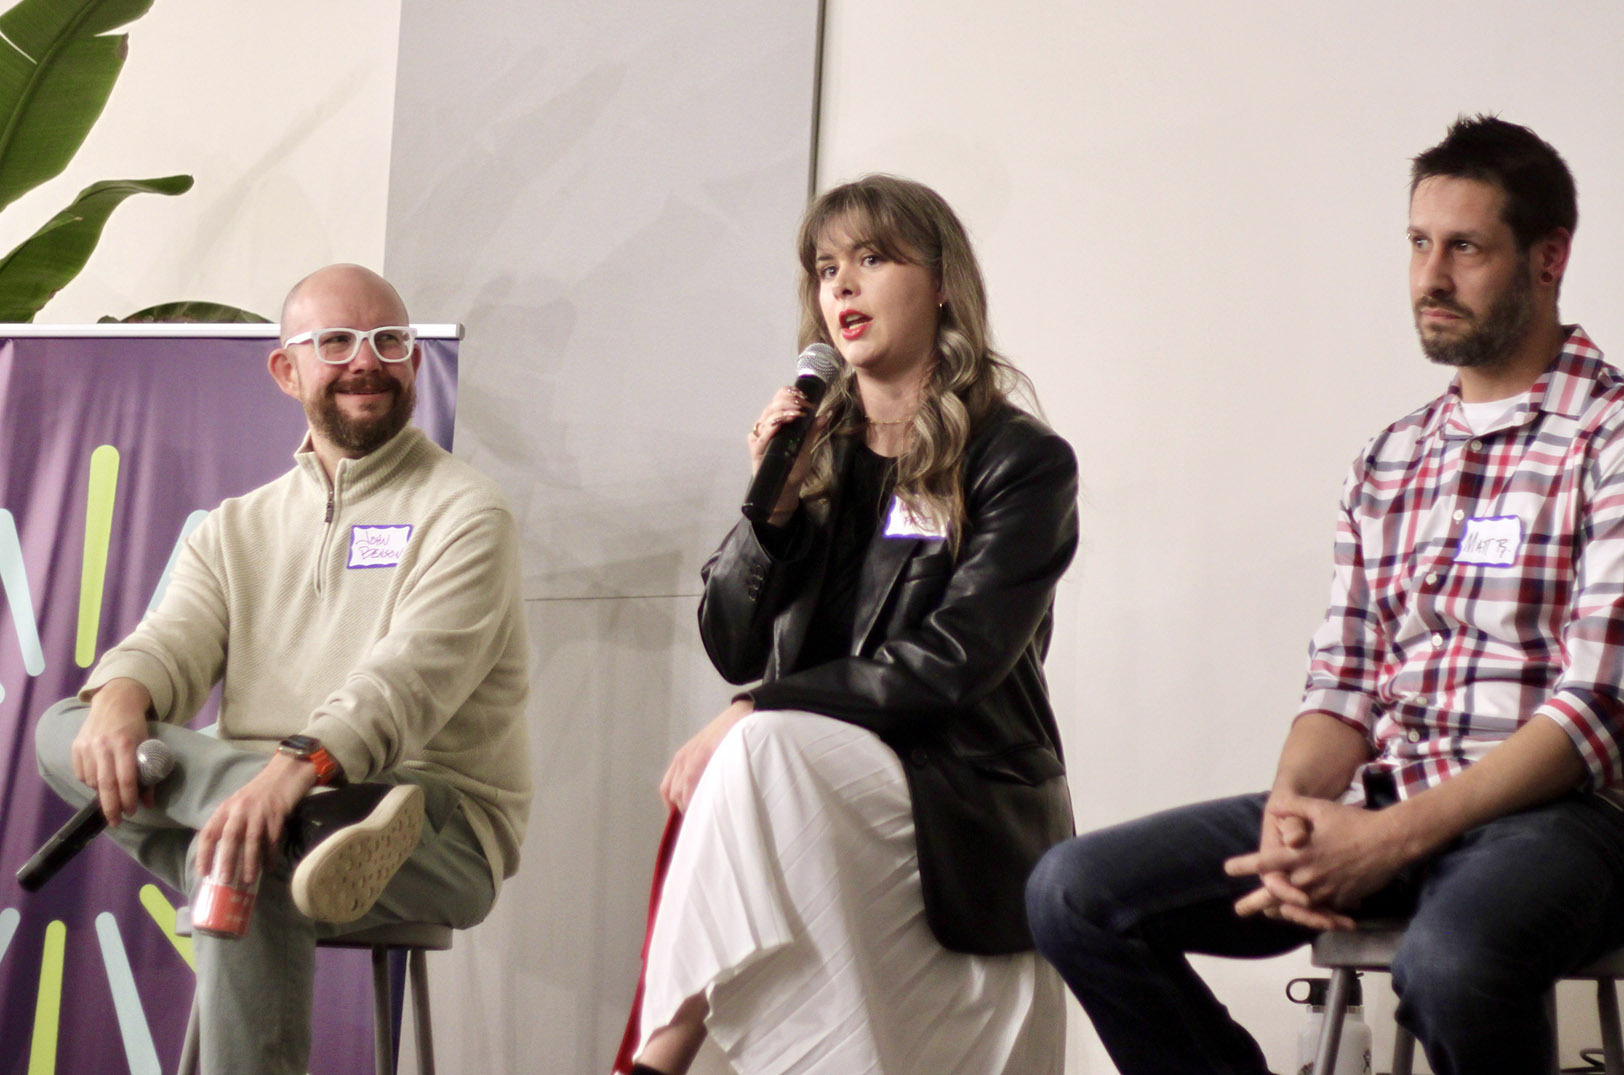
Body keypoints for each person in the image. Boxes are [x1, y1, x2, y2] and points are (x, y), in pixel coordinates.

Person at [1026, 115, 1624, 1075]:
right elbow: (1343, 684)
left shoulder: (1610, 436)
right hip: (1389, 798)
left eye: (1465, 248)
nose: (1430, 277)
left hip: (1561, 824)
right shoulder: (1392, 457)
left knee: (1451, 964)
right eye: (1419, 243)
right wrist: (1294, 811)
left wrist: (1387, 839)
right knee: (1071, 892)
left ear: (1549, 257)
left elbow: (1593, 710)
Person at [624, 175, 1079, 1075]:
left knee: (760, 747)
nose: (843, 286)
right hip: (814, 798)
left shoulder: (1019, 460)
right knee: (764, 754)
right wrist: (771, 515)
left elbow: (953, 662)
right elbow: (731, 644)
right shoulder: (816, 458)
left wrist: (757, 709)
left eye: (872, 258)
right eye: (827, 268)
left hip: (956, 800)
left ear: (941, 283)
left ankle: (652, 1061)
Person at [32, 264, 531, 1075]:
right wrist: (123, 696)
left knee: (241, 854)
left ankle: (274, 820)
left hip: (429, 820)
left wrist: (293, 774)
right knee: (68, 729)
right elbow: (169, 642)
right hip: (284, 804)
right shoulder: (235, 526)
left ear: (413, 362)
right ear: (285, 369)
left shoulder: (467, 511)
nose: (365, 360)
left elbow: (404, 682)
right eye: (335, 341)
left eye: (388, 341)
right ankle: (282, 821)